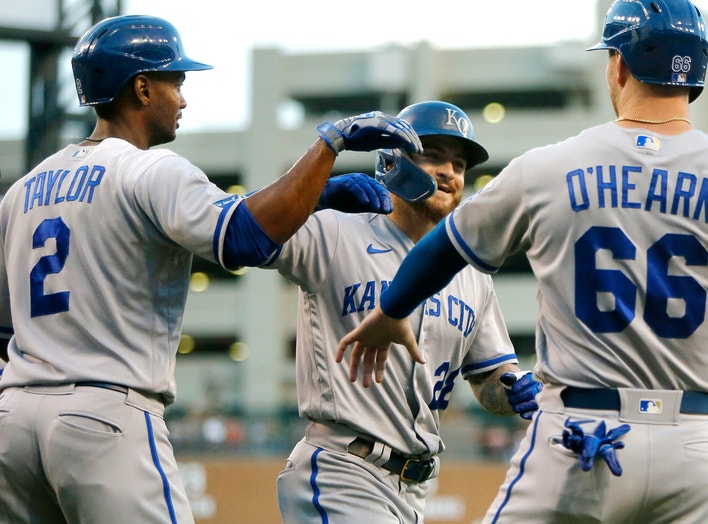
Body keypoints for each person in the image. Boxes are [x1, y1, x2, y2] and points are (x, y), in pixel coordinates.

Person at [336, 0, 708, 522]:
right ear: (697, 80)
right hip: (691, 447)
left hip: (579, 434)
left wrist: (391, 311)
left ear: (618, 65)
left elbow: (445, 246)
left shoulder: (549, 168)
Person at [0, 14, 422, 524]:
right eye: (174, 81)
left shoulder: (22, 191)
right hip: (104, 414)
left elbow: (5, 328)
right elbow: (243, 236)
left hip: (14, 422)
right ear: (141, 87)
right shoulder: (150, 169)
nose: (182, 97)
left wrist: (316, 197)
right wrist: (328, 146)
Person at [270, 100, 541, 524]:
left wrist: (515, 387)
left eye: (458, 162)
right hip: (343, 468)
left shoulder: (470, 272)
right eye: (432, 154)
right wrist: (313, 195)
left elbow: (488, 379)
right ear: (393, 162)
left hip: (413, 490)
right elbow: (237, 231)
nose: (449, 172)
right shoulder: (336, 231)